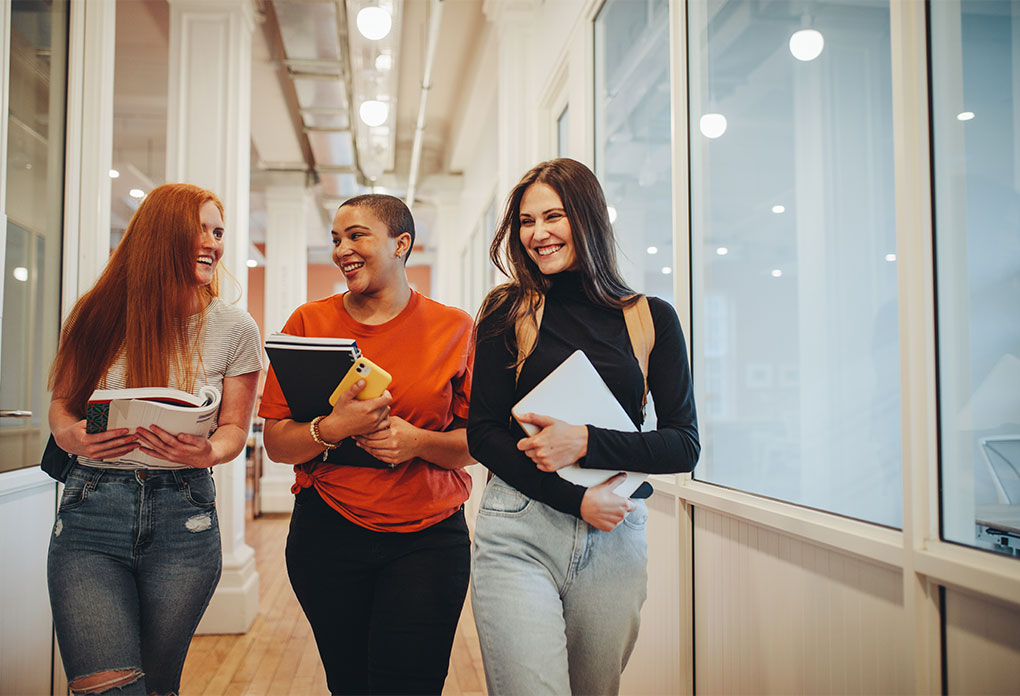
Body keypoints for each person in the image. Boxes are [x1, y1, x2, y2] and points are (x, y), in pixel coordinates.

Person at [467, 158, 700, 695]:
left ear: (589, 218)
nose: (538, 234)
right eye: (526, 221)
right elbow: (483, 433)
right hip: (518, 530)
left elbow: (683, 445)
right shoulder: (507, 311)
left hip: (614, 537)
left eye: (554, 216)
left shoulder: (651, 318)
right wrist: (575, 501)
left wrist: (586, 442)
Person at [47, 183, 263, 695]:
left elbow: (233, 429)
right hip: (91, 511)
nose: (214, 243)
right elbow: (61, 407)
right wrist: (72, 436)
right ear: (160, 236)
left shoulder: (236, 328)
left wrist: (208, 450)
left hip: (182, 519)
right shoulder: (94, 314)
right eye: (201, 230)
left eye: (219, 232)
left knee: (158, 686)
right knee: (109, 687)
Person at [259, 193, 475, 695]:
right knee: (349, 684)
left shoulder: (454, 327)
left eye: (357, 235)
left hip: (429, 537)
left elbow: (476, 442)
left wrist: (417, 442)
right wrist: (333, 428)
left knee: (410, 685)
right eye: (336, 238)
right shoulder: (308, 324)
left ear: (402, 244)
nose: (342, 249)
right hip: (327, 533)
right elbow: (276, 442)